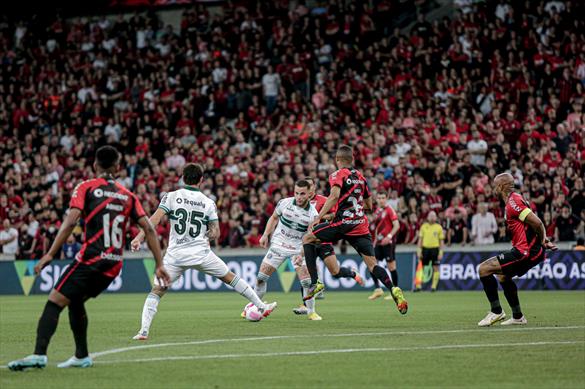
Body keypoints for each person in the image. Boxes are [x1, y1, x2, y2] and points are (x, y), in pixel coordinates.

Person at [8, 146, 171, 371]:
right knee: (75, 301)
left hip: (91, 259)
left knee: (54, 302)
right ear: (118, 167)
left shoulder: (86, 187)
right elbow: (150, 230)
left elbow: (70, 221)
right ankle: (82, 356)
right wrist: (159, 264)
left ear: (95, 165)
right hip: (114, 264)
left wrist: (49, 254)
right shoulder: (128, 195)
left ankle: (38, 355)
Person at [132, 163, 277, 339]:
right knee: (230, 277)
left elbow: (153, 220)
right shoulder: (208, 202)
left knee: (156, 291)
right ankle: (261, 306)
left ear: (183, 177)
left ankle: (143, 330)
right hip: (201, 253)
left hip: (175, 255)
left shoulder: (171, 197)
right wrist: (207, 234)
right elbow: (215, 232)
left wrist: (138, 238)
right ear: (201, 180)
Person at [302, 145, 408, 315]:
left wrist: (319, 216)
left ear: (337, 160)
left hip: (343, 224)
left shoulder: (337, 175)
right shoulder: (361, 178)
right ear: (351, 160)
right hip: (360, 226)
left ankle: (316, 283)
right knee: (373, 265)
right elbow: (369, 205)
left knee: (307, 238)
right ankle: (393, 288)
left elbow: (334, 196)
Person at [477, 173, 557, 327]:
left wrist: (542, 240)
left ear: (500, 187)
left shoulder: (513, 202)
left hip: (524, 252)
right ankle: (518, 316)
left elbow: (538, 223)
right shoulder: (515, 199)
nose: (493, 188)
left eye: (495, 185)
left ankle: (496, 311)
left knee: (483, 269)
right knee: (503, 278)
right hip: (529, 250)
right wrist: (543, 240)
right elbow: (532, 226)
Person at [251, 179, 321, 320]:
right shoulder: (284, 203)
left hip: (297, 249)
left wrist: (302, 253)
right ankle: (253, 307)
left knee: (306, 282)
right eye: (296, 193)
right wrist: (265, 235)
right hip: (278, 245)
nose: (299, 197)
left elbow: (309, 237)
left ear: (309, 194)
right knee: (260, 279)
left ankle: (311, 311)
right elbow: (273, 218)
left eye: (302, 194)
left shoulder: (313, 214)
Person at [293, 178, 365, 315]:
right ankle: (305, 305)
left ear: (313, 188)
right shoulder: (299, 202)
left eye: (310, 185)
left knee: (335, 272)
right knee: (306, 272)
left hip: (323, 241)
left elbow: (334, 215)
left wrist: (320, 217)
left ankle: (352, 273)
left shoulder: (324, 200)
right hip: (308, 242)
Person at [368, 191, 400, 301]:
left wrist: (389, 236)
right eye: (379, 198)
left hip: (388, 243)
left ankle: (395, 291)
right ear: (376, 199)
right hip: (378, 243)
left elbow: (397, 225)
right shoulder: (377, 211)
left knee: (391, 267)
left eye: (383, 198)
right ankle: (378, 289)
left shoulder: (389, 210)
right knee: (371, 264)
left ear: (386, 198)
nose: (381, 200)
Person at [414, 211, 444, 292]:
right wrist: (419, 250)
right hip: (425, 249)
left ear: (436, 218)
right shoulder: (423, 226)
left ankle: (433, 287)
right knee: (420, 267)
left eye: (433, 216)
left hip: (435, 249)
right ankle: (418, 286)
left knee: (436, 267)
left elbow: (441, 241)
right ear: (427, 217)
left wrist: (441, 252)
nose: (432, 217)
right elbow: (420, 239)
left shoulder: (439, 227)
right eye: (430, 216)